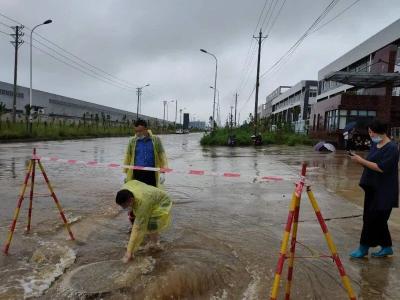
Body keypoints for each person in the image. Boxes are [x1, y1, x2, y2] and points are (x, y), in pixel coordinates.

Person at [349, 119, 399, 258]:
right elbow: (371, 163)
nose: (370, 134)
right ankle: (387, 247)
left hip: (384, 190)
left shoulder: (392, 148)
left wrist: (361, 160)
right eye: (369, 132)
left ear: (380, 132)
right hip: (372, 188)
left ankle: (363, 248)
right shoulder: (376, 145)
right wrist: (359, 161)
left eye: (372, 132)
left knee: (373, 220)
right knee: (375, 219)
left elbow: (381, 168)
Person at [116, 180, 172, 263]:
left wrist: (129, 252)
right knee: (137, 218)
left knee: (150, 224)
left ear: (131, 200)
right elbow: (133, 181)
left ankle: (155, 243)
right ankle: (152, 240)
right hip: (150, 195)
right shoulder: (126, 188)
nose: (123, 208)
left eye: (125, 205)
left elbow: (137, 228)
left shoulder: (143, 204)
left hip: (162, 202)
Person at [123, 119, 168, 223]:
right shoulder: (132, 141)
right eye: (136, 131)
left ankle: (150, 222)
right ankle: (134, 223)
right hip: (136, 174)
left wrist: (163, 172)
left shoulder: (156, 140)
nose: (138, 134)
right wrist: (125, 173)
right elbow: (128, 157)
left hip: (151, 174)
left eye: (140, 131)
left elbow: (162, 156)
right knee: (134, 198)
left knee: (150, 197)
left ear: (146, 129)